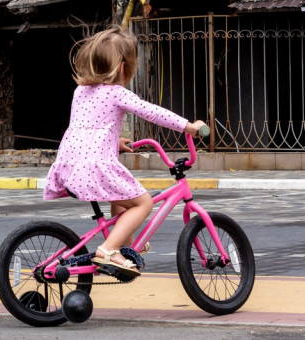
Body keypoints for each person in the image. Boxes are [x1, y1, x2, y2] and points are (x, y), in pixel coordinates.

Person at [43, 26, 205, 277]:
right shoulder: (116, 93)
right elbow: (151, 111)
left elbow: (87, 125)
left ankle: (124, 243)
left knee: (121, 199)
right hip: (95, 165)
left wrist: (113, 140)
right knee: (143, 203)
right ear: (122, 68)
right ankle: (109, 249)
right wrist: (188, 126)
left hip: (69, 163)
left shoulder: (80, 92)